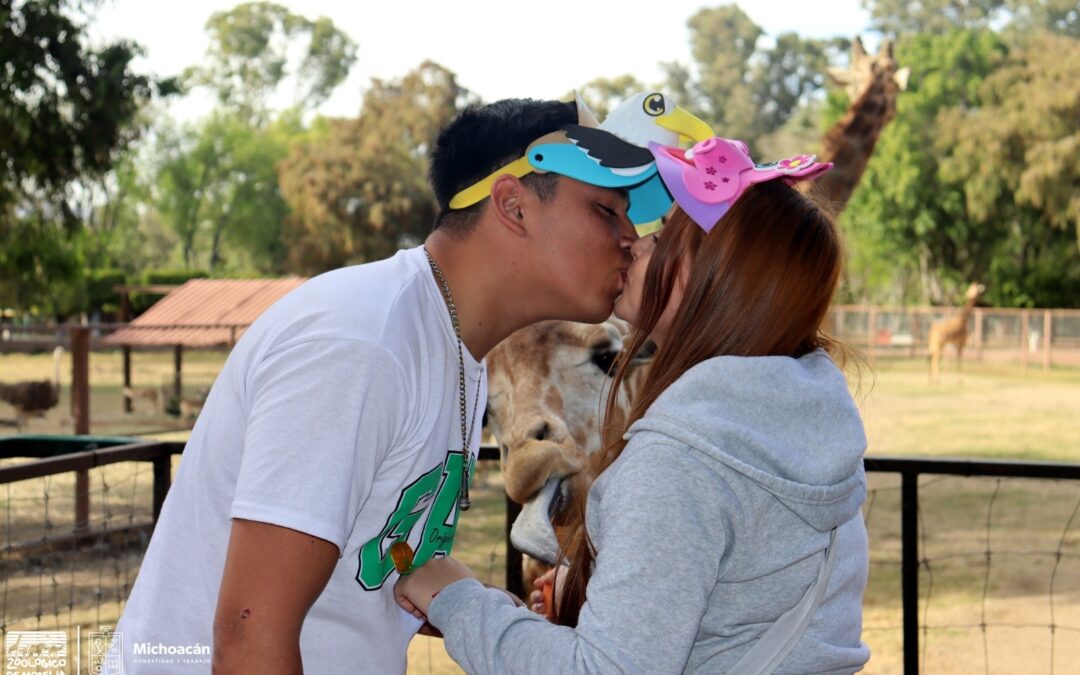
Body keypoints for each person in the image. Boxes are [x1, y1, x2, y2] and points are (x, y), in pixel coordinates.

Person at [111, 97, 645, 674]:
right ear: (513, 206)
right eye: (605, 211)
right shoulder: (362, 345)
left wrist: (486, 609)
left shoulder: (446, 344)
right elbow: (248, 639)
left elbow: (371, 565)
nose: (631, 238)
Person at [395, 137, 872, 674]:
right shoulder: (806, 437)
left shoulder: (681, 460)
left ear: (715, 280)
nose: (636, 245)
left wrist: (458, 600)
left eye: (665, 235)